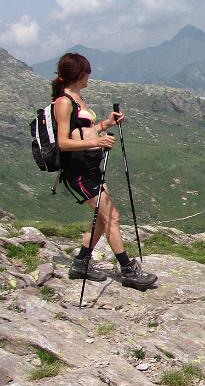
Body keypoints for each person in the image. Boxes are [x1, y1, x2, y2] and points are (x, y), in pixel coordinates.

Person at [51, 53, 157, 291]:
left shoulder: (76, 98)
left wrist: (107, 124)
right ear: (79, 74)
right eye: (87, 71)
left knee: (102, 218)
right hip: (78, 170)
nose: (90, 75)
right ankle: (128, 270)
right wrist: (97, 143)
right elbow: (63, 143)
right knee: (112, 218)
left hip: (90, 166)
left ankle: (80, 263)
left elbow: (85, 131)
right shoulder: (64, 102)